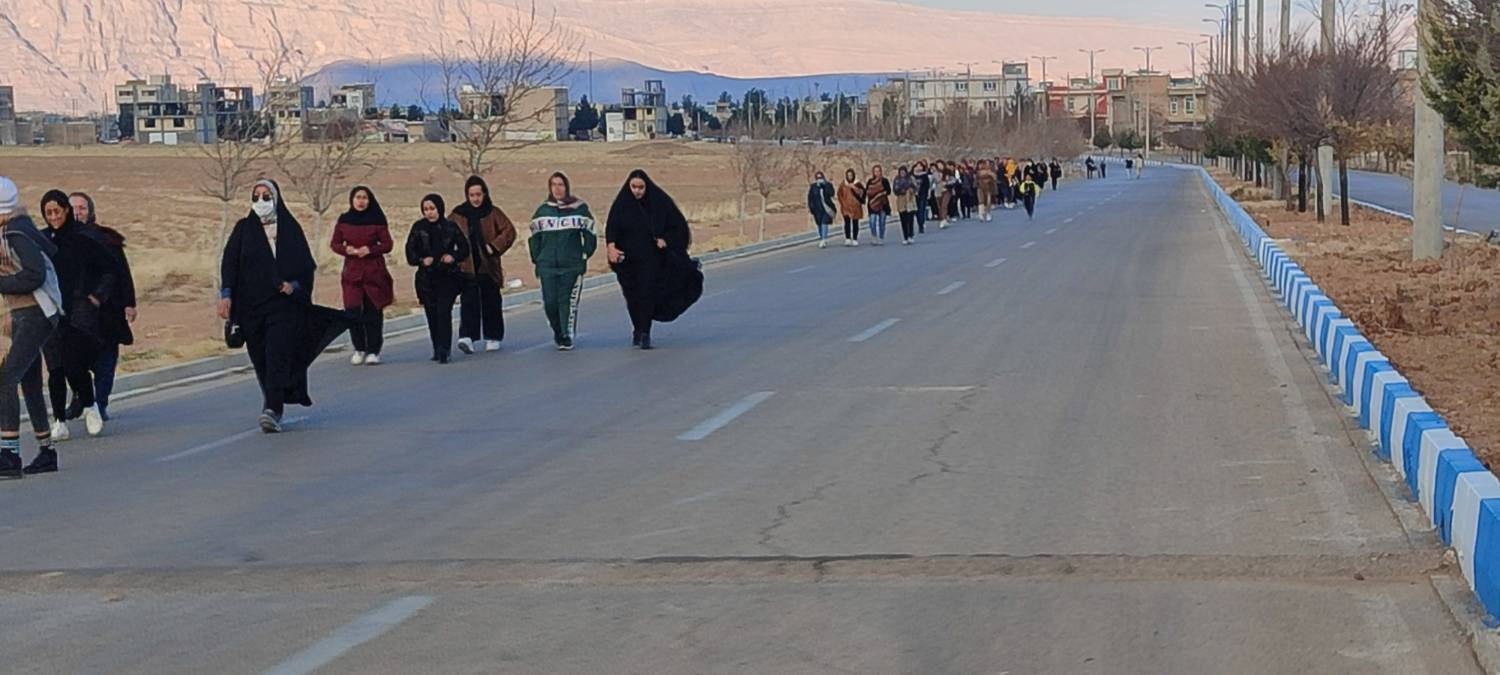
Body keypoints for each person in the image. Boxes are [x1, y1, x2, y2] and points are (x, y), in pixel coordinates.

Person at [219, 179, 323, 433]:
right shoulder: (243, 230)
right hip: (250, 307)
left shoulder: (289, 229)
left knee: (277, 354)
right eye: (256, 197)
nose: (261, 202)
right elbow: (230, 263)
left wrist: (294, 286)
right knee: (261, 358)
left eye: (267, 196)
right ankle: (272, 400)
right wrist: (226, 295)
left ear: (276, 199)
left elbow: (305, 268)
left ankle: (272, 409)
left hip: (283, 307)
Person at [37, 190, 114, 441]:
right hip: (49, 311)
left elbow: (109, 270)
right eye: (48, 213)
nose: (53, 217)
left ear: (66, 211)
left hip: (78, 312)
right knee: (55, 368)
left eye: (57, 211)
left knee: (74, 365)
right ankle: (59, 420)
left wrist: (96, 297)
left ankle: (90, 407)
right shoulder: (41, 240)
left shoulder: (83, 239)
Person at [0, 178, 61, 478]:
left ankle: (9, 455)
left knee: (6, 377)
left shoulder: (14, 233)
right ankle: (46, 451)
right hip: (31, 312)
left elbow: (34, 274)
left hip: (36, 311)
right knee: (29, 380)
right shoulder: (17, 228)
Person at [606, 169, 698, 350]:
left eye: (641, 187)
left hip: (651, 259)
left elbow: (677, 227)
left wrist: (666, 240)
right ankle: (638, 329)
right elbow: (612, 228)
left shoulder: (659, 202)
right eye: (634, 187)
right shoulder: (622, 204)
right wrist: (611, 247)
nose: (637, 191)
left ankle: (646, 332)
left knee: (647, 293)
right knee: (632, 297)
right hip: (628, 261)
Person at [69, 192, 135, 422]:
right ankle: (80, 396)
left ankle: (100, 403)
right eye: (73, 208)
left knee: (105, 361)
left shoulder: (107, 240)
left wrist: (129, 303)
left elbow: (122, 273)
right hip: (74, 313)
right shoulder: (57, 240)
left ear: (91, 211)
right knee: (73, 359)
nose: (77, 212)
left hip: (107, 312)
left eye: (82, 208)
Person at [529, 172, 597, 351]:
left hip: (572, 265)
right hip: (547, 266)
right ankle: (557, 331)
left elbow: (591, 235)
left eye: (561, 185)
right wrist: (538, 259)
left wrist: (583, 254)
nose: (557, 188)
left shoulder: (579, 209)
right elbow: (534, 238)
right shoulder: (542, 211)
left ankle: (566, 335)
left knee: (566, 301)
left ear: (566, 187)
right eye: (553, 185)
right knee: (550, 303)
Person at [450, 176, 517, 354]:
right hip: (466, 266)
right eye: (472, 195)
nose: (475, 199)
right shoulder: (458, 214)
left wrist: (494, 246)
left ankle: (493, 336)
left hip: (488, 265)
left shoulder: (493, 212)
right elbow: (447, 234)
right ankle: (467, 337)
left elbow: (509, 231)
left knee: (491, 301)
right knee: (468, 302)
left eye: (478, 194)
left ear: (485, 194)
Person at [330, 185, 394, 366]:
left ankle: (373, 350)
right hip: (352, 273)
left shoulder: (377, 219)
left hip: (373, 272)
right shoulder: (344, 220)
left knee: (373, 312)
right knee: (352, 312)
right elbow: (335, 243)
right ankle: (359, 348)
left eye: (364, 197)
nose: (361, 201)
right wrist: (346, 249)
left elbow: (387, 244)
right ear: (351, 200)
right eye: (357, 197)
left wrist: (371, 249)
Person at [404, 194, 468, 363]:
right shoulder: (418, 228)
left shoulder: (450, 227)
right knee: (431, 314)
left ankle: (444, 349)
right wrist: (421, 260)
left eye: (432, 209)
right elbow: (410, 253)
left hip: (448, 277)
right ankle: (436, 347)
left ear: (439, 208)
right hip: (426, 279)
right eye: (426, 209)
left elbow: (464, 248)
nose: (429, 213)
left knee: (443, 312)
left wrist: (452, 256)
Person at [806, 172, 837, 249]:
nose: (819, 179)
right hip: (817, 209)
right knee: (819, 224)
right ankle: (822, 237)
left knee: (824, 223)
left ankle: (824, 239)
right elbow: (810, 198)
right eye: (818, 178)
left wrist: (825, 186)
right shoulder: (813, 187)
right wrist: (811, 207)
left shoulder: (828, 185)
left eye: (821, 178)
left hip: (826, 209)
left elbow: (831, 193)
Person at [864, 165, 892, 245]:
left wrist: (881, 194)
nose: (877, 173)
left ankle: (881, 237)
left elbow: (888, 191)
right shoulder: (870, 181)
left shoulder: (884, 181)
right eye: (875, 171)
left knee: (882, 222)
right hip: (872, 204)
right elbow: (867, 192)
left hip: (882, 204)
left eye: (878, 171)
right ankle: (874, 236)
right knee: (872, 221)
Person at [836, 169, 865, 247]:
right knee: (847, 223)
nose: (850, 177)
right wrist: (842, 203)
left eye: (851, 175)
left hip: (856, 207)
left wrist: (855, 188)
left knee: (855, 223)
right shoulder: (843, 184)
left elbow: (862, 193)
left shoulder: (857, 183)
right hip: (846, 207)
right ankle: (847, 238)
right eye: (848, 175)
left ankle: (855, 238)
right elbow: (839, 194)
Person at [892, 165, 918, 245]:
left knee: (910, 219)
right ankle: (905, 237)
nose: (902, 173)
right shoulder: (896, 180)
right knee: (903, 220)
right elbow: (895, 190)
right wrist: (901, 190)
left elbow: (915, 188)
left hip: (909, 200)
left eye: (904, 172)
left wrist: (910, 190)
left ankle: (910, 235)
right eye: (901, 172)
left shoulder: (910, 179)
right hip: (901, 200)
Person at [912, 160, 932, 237]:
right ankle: (919, 223)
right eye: (917, 166)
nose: (919, 167)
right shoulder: (912, 175)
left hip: (923, 194)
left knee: (921, 210)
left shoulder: (924, 175)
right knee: (916, 211)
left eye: (920, 166)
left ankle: (921, 225)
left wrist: (927, 194)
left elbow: (927, 186)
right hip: (914, 195)